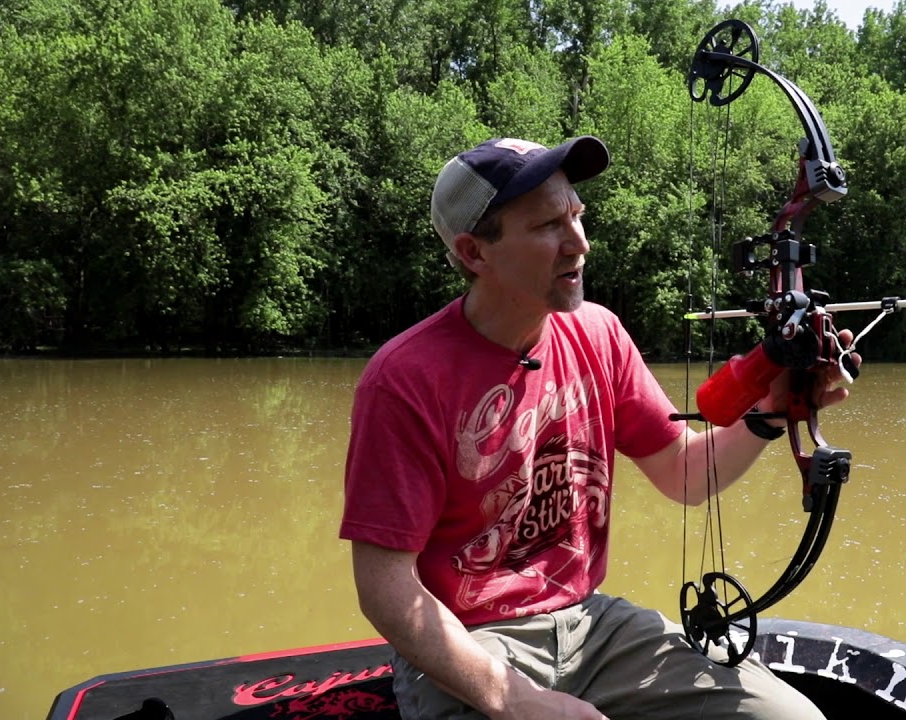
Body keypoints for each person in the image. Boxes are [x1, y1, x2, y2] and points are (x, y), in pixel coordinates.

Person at [340, 135, 859, 720]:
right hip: (471, 640)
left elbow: (685, 473)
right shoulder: (404, 378)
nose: (579, 243)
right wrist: (516, 700)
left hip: (593, 627)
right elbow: (385, 587)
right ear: (474, 252)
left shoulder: (599, 333)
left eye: (577, 215)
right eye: (545, 227)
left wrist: (768, 413)